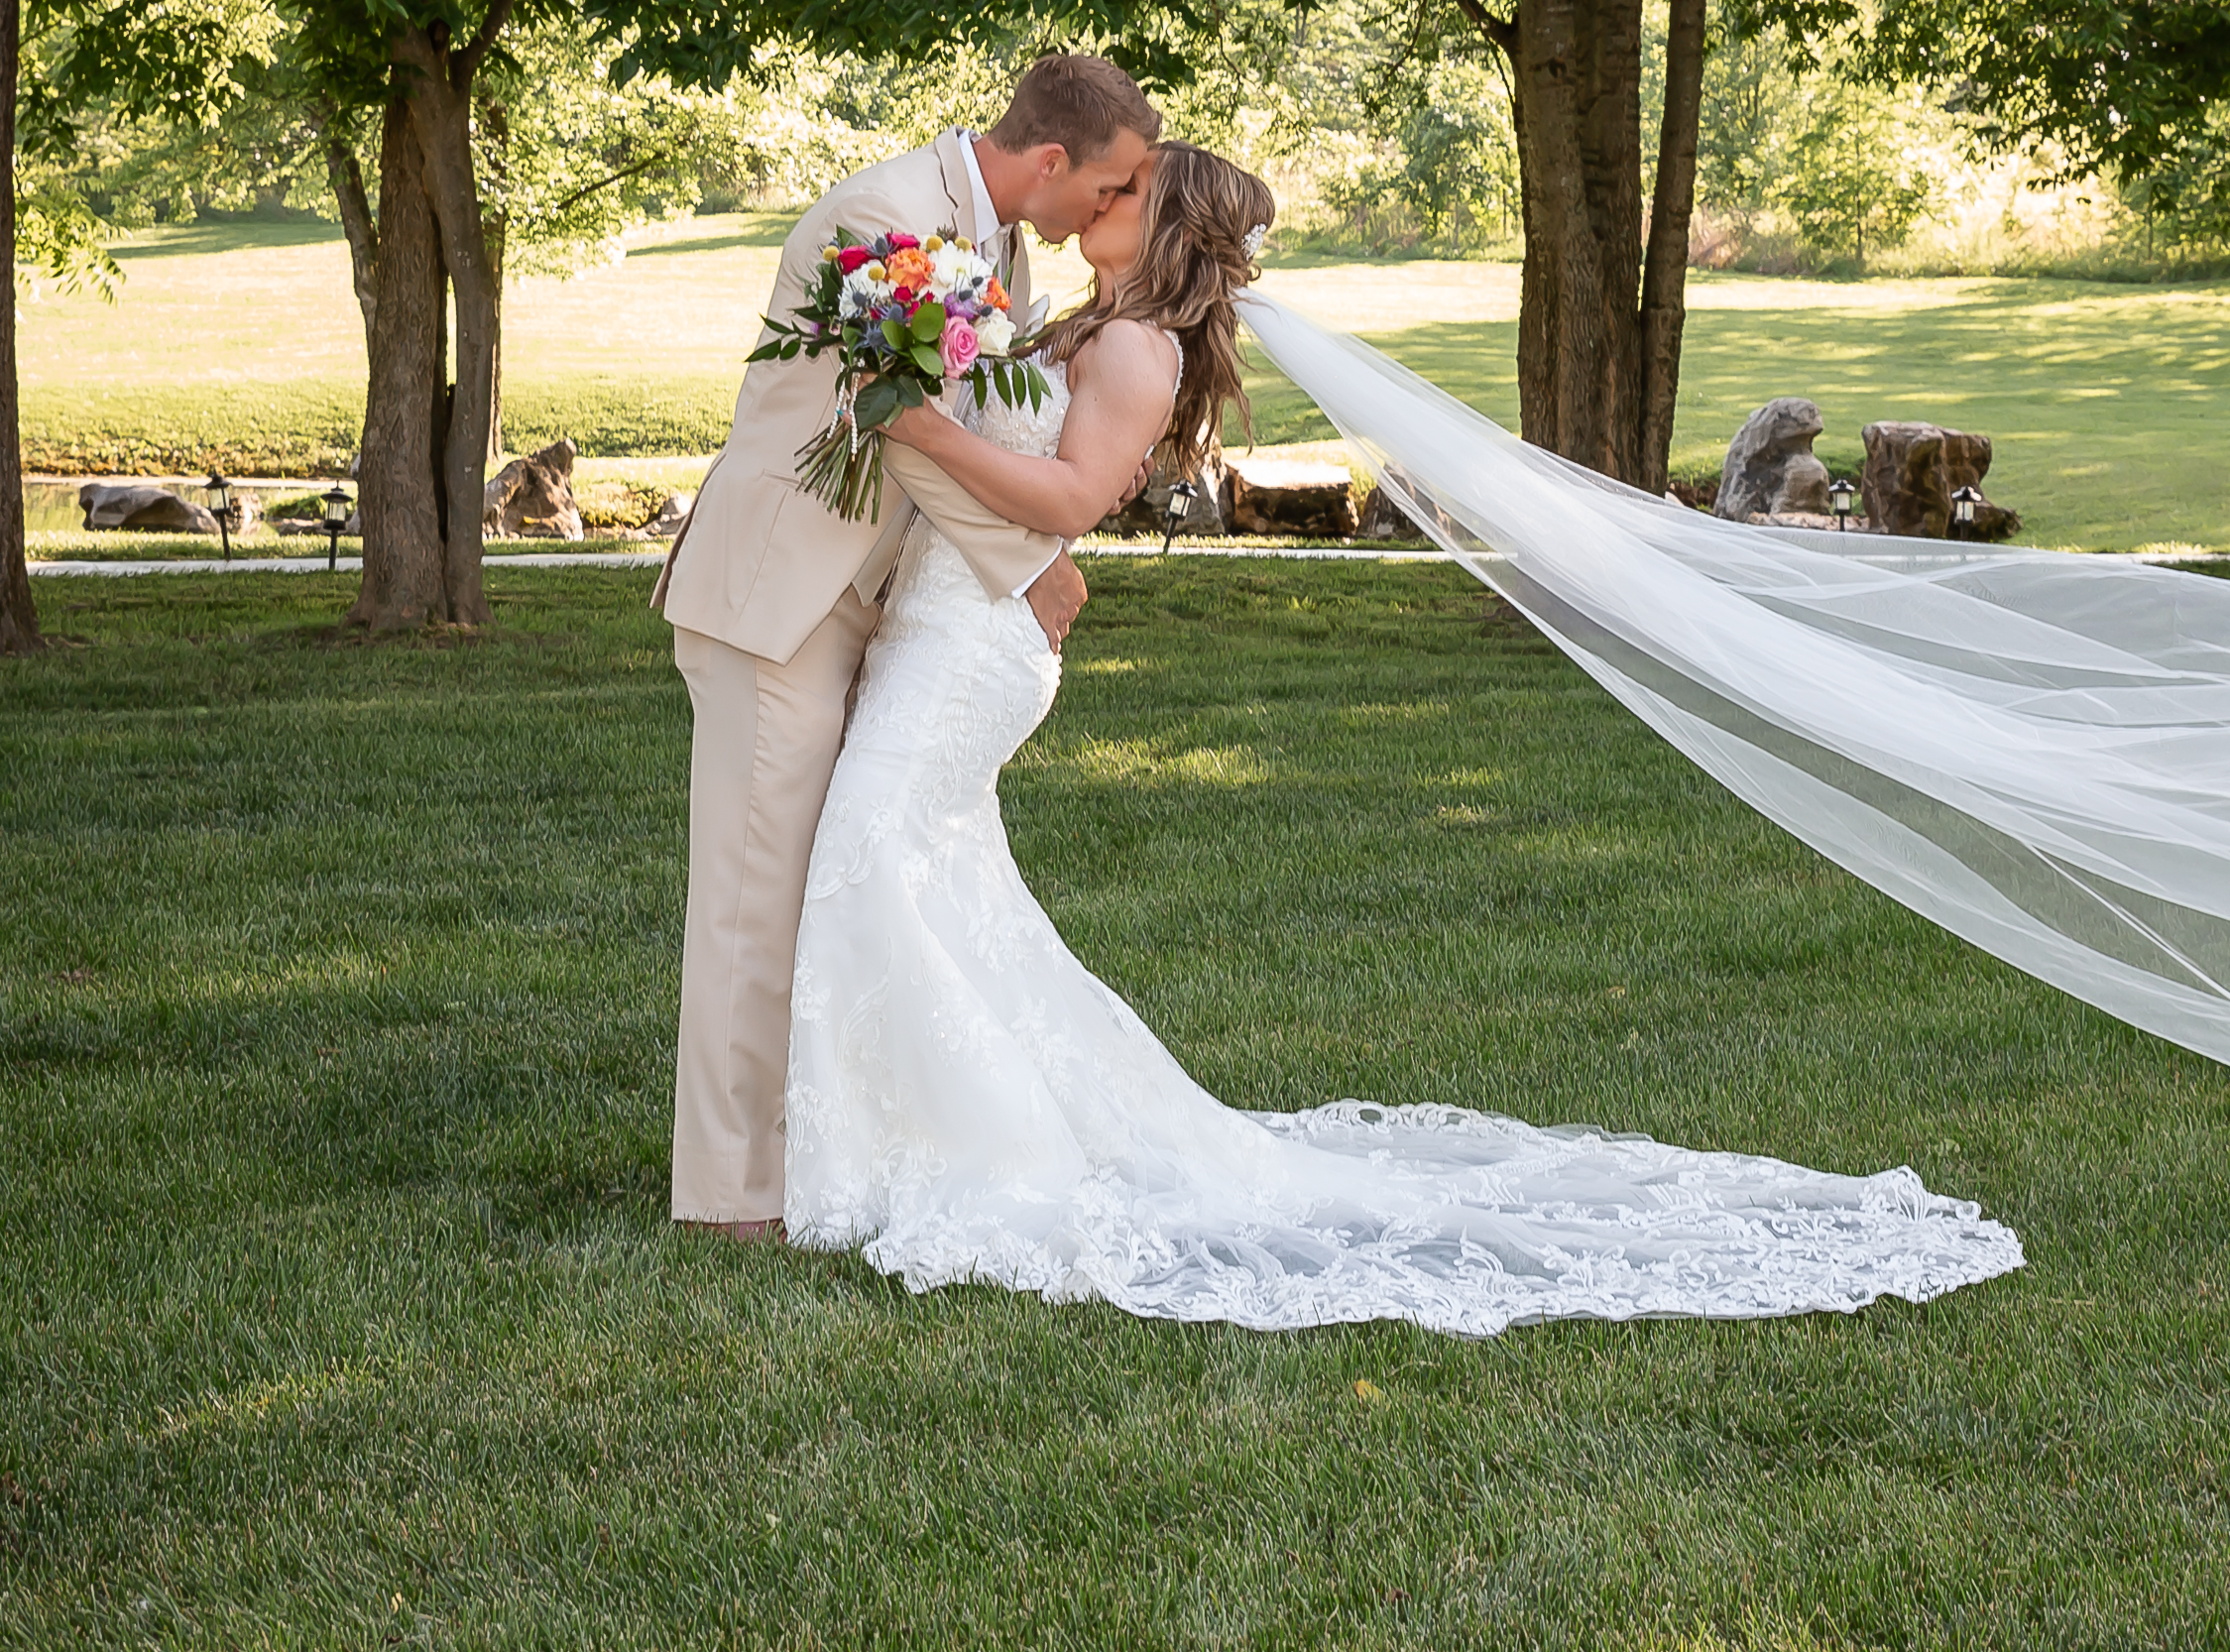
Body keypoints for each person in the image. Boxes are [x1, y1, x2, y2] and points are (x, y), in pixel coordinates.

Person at [777, 143, 2026, 1332]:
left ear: (1164, 222)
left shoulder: (1139, 351)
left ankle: (938, 1157)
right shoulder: (1073, 322)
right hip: (942, 625)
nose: (1108, 186)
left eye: (1137, 183)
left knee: (870, 850)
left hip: (971, 654)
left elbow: (1069, 497)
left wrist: (913, 419)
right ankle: (916, 1134)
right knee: (921, 875)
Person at [654, 53, 1155, 1239]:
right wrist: (1033, 562)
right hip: (780, 598)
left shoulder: (1007, 242)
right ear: (1051, 163)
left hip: (864, 599)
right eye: (1115, 184)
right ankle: (728, 1200)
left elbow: (961, 423)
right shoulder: (884, 221)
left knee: (820, 887)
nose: (1115, 208)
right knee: (752, 901)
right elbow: (907, 434)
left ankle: (819, 1153)